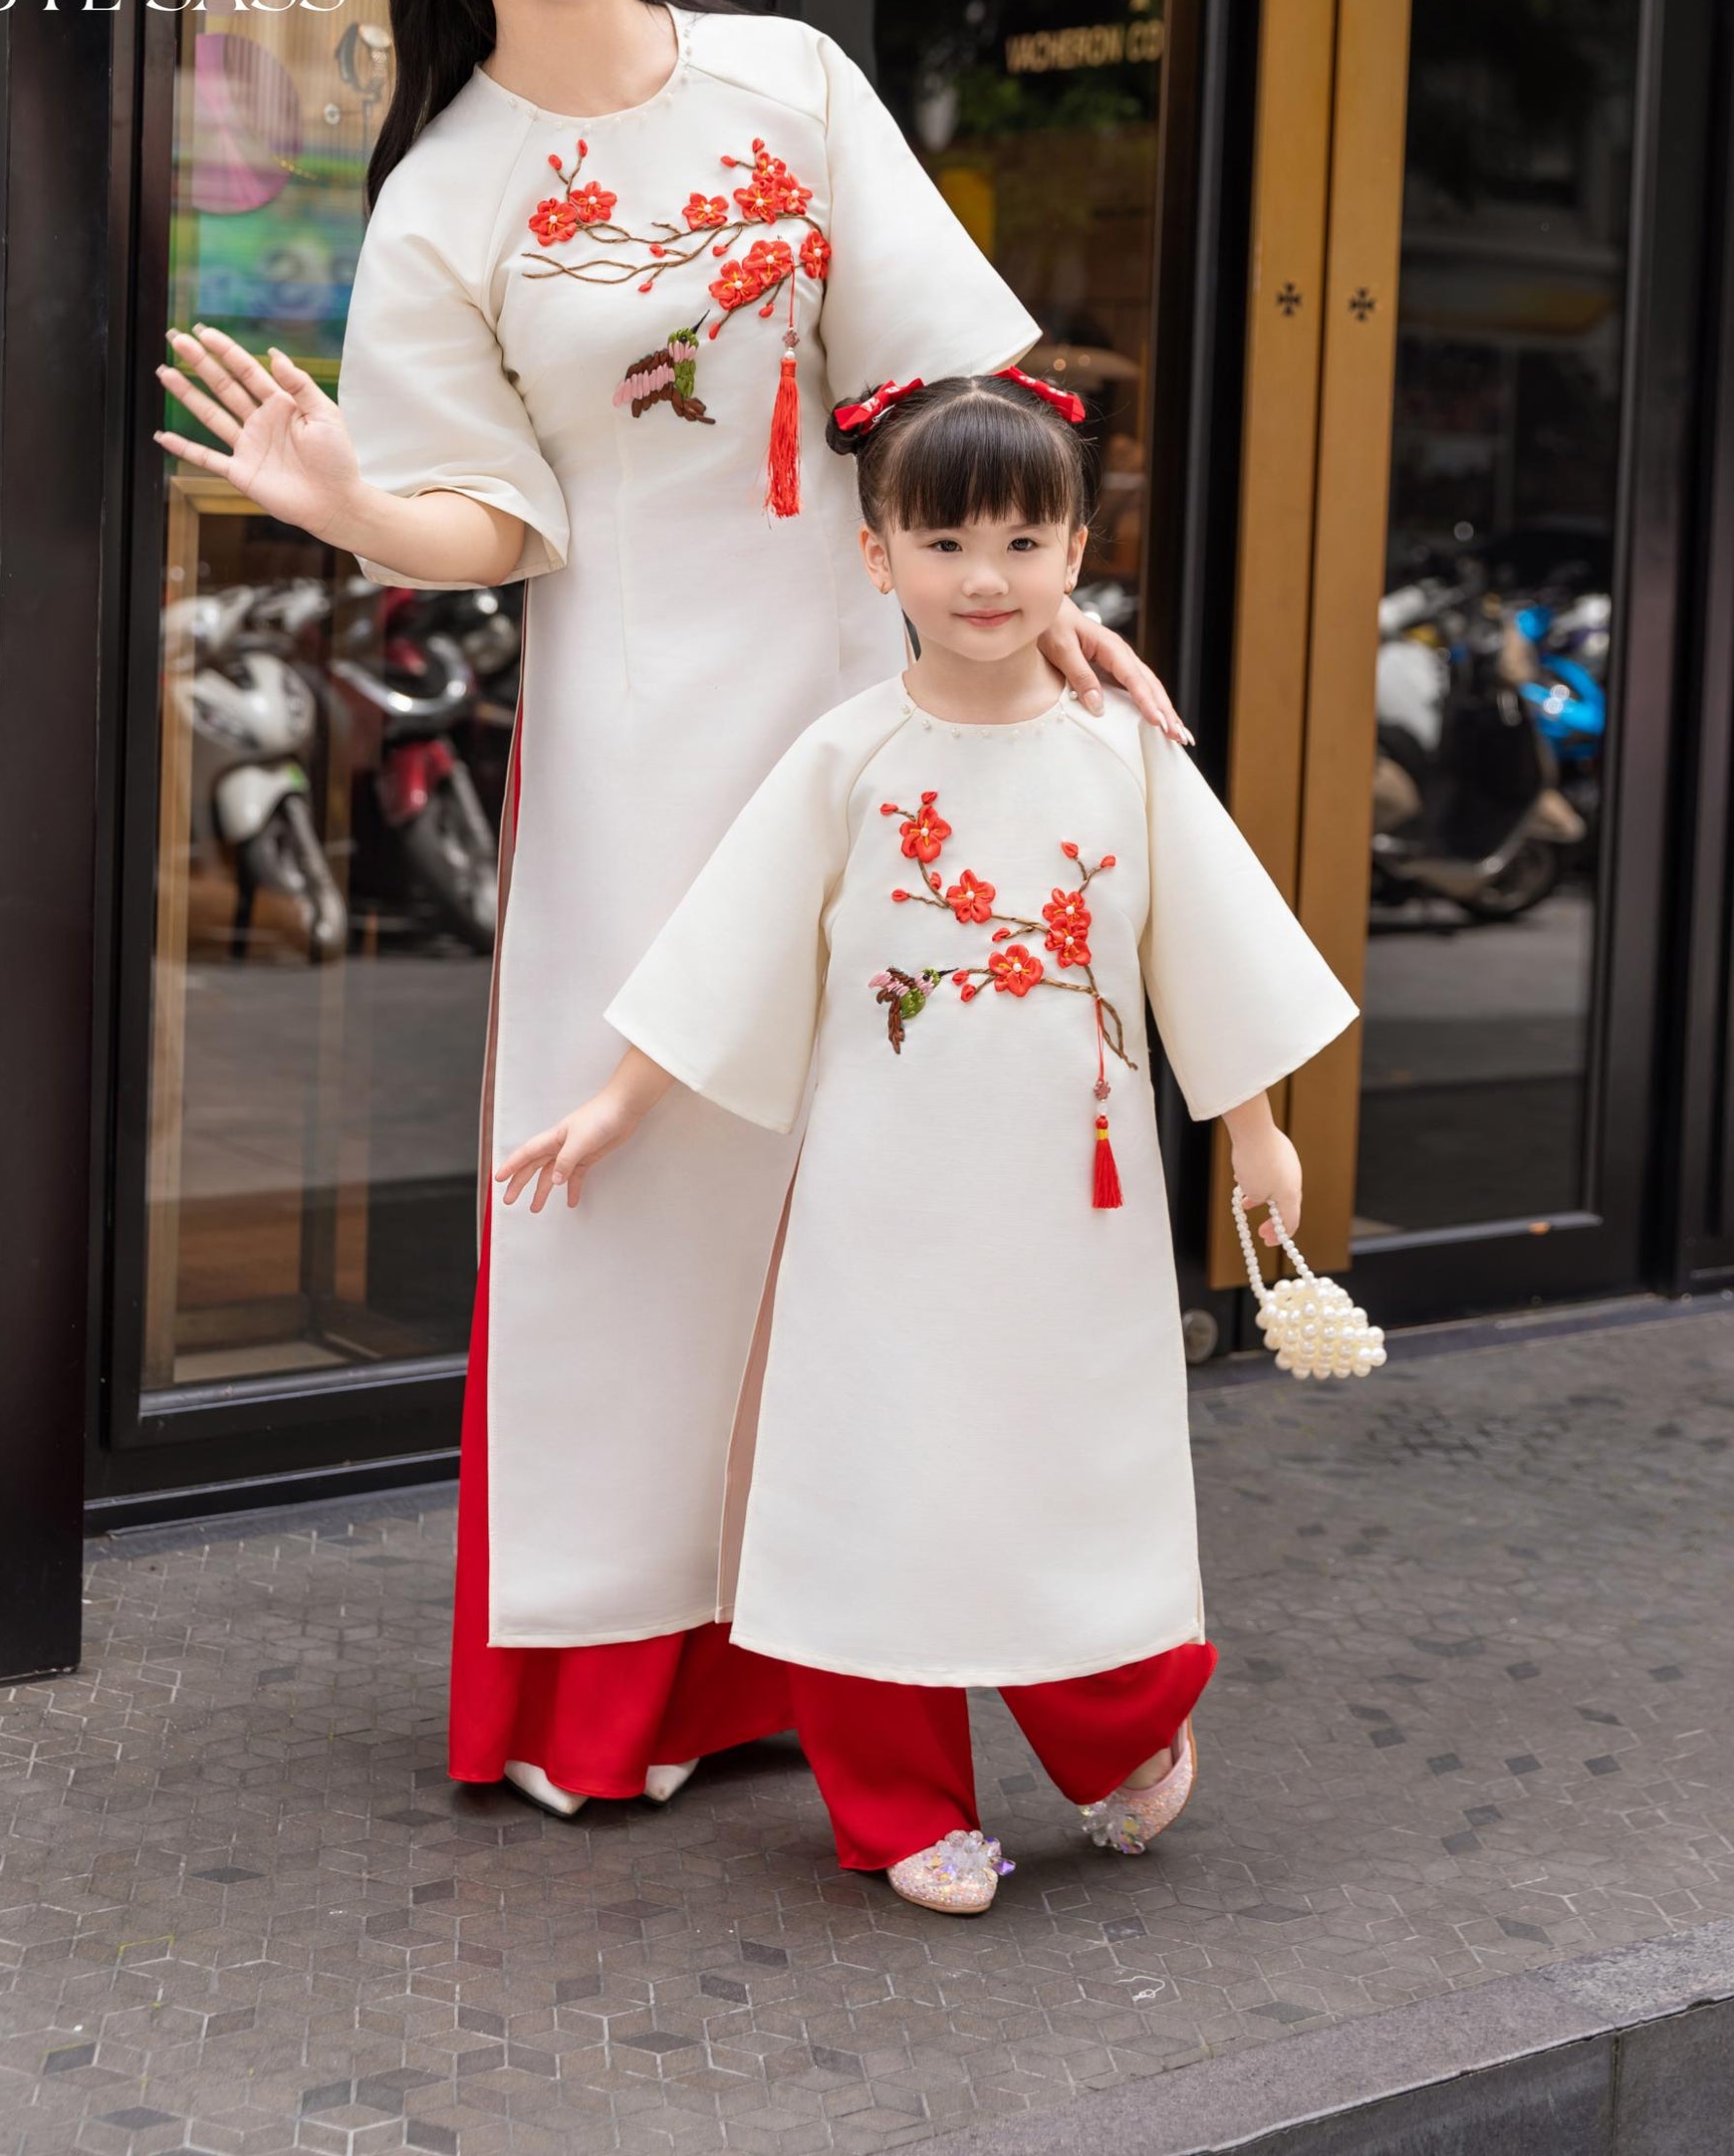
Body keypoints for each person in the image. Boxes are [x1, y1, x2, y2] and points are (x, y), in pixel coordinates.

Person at [153, 0, 1190, 1817]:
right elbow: (487, 523)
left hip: (872, 693)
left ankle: (983, 1641)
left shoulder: (786, 84)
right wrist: (350, 501)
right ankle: (636, 1676)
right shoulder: (446, 194)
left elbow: (942, 391)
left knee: (911, 1175)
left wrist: (1038, 619)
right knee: (647, 1193)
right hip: (638, 743)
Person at [495, 372, 1357, 1906]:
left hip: (1070, 1214)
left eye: (1022, 541)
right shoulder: (846, 758)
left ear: (1080, 550)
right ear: (873, 554)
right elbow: (731, 953)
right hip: (876, 1211)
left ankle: (1121, 1736)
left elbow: (1206, 956)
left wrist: (1251, 1130)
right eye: (944, 540)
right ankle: (897, 1811)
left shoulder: (1124, 756)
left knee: (1071, 1472)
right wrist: (619, 1105)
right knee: (871, 1480)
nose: (984, 579)